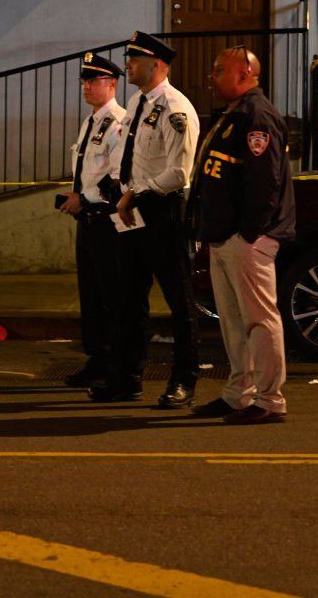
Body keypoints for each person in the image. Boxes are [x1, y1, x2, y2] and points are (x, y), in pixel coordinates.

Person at [89, 31, 201, 407]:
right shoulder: (137, 101)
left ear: (158, 64)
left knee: (178, 301)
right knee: (128, 299)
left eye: (134, 58)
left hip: (162, 210)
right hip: (130, 208)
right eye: (127, 56)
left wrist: (135, 193)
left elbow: (179, 173)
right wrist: (117, 187)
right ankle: (126, 378)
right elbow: (130, 154)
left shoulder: (175, 108)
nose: (127, 64)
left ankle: (183, 381)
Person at [188, 46, 295, 424]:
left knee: (259, 321)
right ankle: (238, 395)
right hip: (224, 236)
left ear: (245, 73)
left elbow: (266, 183)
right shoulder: (234, 112)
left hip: (246, 239)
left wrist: (249, 234)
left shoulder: (257, 115)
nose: (211, 76)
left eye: (219, 69)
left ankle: (268, 400)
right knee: (233, 322)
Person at [56, 52, 127, 387]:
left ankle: (116, 362)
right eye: (84, 80)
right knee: (91, 296)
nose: (85, 86)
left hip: (106, 221)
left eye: (92, 80)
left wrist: (82, 199)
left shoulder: (118, 124)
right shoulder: (92, 120)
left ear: (111, 84)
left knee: (112, 294)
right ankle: (98, 359)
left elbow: (116, 179)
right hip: (87, 221)